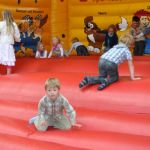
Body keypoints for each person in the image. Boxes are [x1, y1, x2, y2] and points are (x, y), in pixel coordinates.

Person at [0, 10, 20, 74]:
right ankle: (8, 75)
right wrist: (18, 40)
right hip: (9, 44)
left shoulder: (1, 23)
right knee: (9, 59)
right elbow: (17, 35)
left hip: (1, 44)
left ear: (4, 16)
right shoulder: (13, 24)